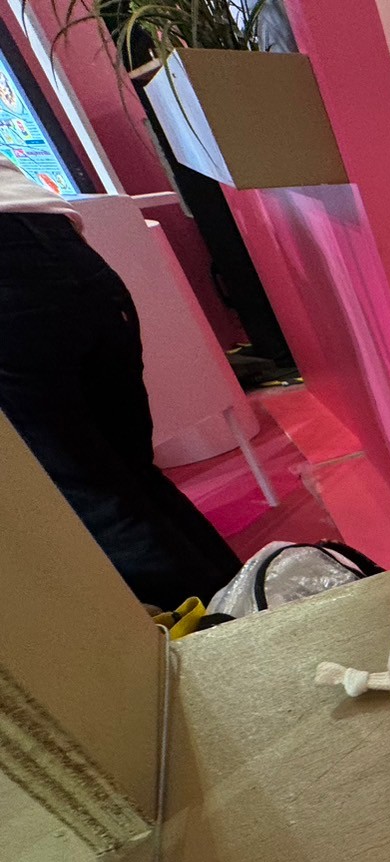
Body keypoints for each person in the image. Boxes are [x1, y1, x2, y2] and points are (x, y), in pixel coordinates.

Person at [0, 155, 242, 608]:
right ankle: (246, 609)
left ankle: (220, 638)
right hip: (60, 238)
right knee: (134, 474)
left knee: (95, 500)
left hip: (18, 286)